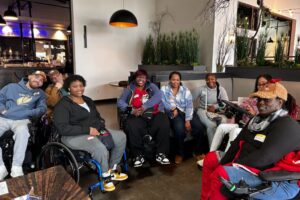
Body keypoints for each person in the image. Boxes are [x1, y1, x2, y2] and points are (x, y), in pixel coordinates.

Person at [200, 82, 300, 200]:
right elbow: (236, 144)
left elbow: (264, 159)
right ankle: (206, 197)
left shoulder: (286, 125)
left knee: (221, 173)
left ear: (280, 102)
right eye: (259, 99)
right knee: (211, 158)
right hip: (250, 163)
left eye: (267, 99)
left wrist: (229, 166)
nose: (261, 103)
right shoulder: (257, 121)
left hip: (273, 175)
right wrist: (223, 162)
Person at [53, 75, 127, 192]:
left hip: (93, 131)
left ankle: (112, 168)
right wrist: (88, 130)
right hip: (72, 136)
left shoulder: (87, 100)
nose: (79, 89)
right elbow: (63, 128)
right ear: (68, 88)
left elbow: (97, 117)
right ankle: (105, 177)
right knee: (99, 147)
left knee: (120, 136)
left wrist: (100, 126)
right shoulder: (63, 105)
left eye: (81, 86)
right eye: (75, 86)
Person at [197, 74, 272, 167]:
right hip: (244, 124)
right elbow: (243, 105)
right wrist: (238, 106)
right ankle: (210, 157)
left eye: (263, 84)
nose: (261, 86)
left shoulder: (270, 100)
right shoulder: (253, 97)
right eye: (259, 84)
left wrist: (253, 114)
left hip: (254, 129)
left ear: (270, 84)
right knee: (221, 127)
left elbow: (267, 119)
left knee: (234, 131)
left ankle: (225, 161)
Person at [117, 69, 170, 167]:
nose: (141, 79)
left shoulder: (152, 86)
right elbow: (120, 102)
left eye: (143, 77)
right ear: (135, 78)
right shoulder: (129, 88)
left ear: (146, 79)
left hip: (153, 113)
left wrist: (144, 107)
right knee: (131, 125)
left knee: (164, 121)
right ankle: (138, 155)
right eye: (139, 77)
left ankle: (161, 154)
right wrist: (132, 110)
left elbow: (159, 96)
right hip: (137, 115)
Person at [0, 71, 47, 180]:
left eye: (41, 80)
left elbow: (42, 108)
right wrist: (3, 110)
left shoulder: (40, 93)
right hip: (4, 118)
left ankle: (16, 167)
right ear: (29, 76)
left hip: (22, 120)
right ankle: (1, 168)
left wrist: (28, 113)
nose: (38, 81)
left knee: (23, 132)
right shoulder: (11, 87)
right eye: (36, 77)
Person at [161, 71, 207, 164]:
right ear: (170, 80)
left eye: (177, 80)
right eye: (173, 79)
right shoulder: (164, 89)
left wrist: (187, 120)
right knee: (179, 130)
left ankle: (198, 152)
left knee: (199, 127)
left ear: (180, 80)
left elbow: (190, 105)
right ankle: (180, 154)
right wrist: (172, 108)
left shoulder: (185, 90)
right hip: (174, 114)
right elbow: (163, 102)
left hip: (187, 112)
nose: (175, 82)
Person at [194, 73, 229, 147]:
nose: (210, 81)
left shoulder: (221, 89)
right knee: (211, 125)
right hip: (203, 110)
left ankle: (222, 146)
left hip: (217, 111)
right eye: (208, 79)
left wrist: (215, 107)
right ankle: (212, 149)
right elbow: (189, 100)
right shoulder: (201, 89)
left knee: (224, 122)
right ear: (205, 80)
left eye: (212, 79)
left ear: (216, 80)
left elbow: (226, 102)